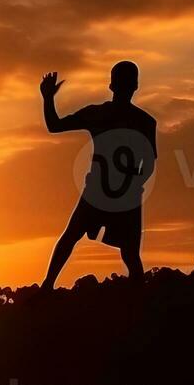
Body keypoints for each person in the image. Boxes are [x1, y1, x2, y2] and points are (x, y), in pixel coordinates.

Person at [39, 62, 157, 290]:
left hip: (110, 194)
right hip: (113, 194)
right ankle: (47, 286)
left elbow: (54, 125)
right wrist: (134, 184)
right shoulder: (143, 121)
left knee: (78, 239)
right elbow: (150, 164)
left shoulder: (103, 115)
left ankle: (47, 286)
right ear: (135, 86)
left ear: (112, 85)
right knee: (127, 254)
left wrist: (47, 98)